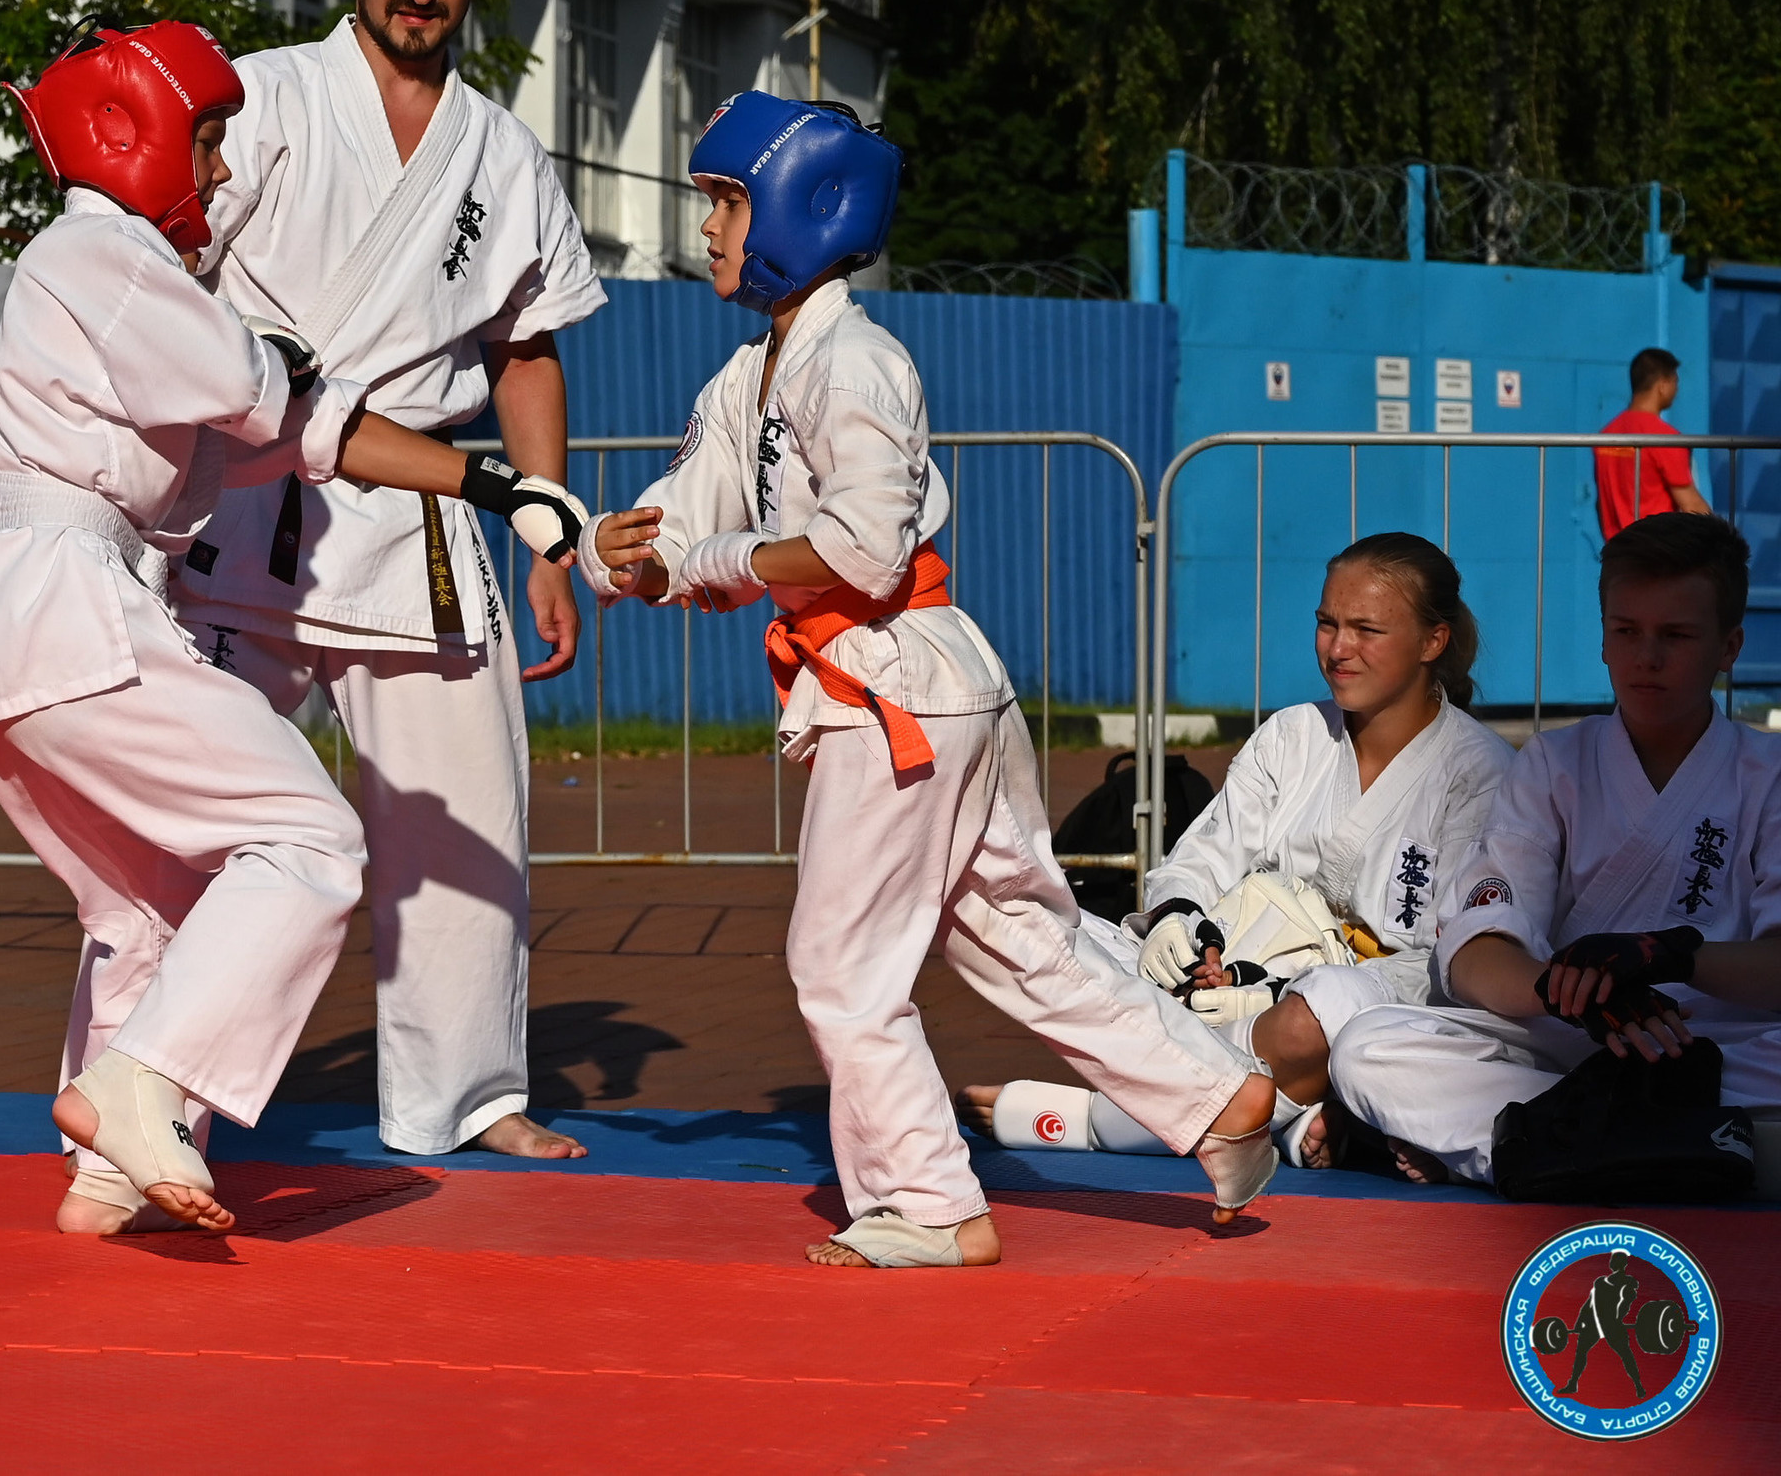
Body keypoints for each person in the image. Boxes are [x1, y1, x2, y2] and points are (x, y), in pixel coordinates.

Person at [576, 90, 1277, 1268]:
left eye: (728, 202)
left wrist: (713, 560)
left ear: (808, 207)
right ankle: (1216, 1098)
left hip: (893, 682)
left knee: (841, 968)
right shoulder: (750, 376)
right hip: (921, 682)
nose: (705, 227)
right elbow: (673, 529)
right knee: (1012, 931)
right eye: (707, 202)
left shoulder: (856, 362)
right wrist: (606, 552)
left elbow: (859, 550)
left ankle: (928, 1201)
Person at [0, 21, 588, 1234]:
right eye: (209, 140)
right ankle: (138, 1086)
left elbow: (302, 432)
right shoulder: (108, 258)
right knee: (308, 841)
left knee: (143, 907)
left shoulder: (104, 274)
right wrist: (281, 365)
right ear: (131, 137)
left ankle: (108, 1173)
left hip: (2, 625)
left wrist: (493, 487)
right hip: (70, 607)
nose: (222, 171)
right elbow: (274, 395)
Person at [169, 0, 607, 1163]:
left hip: (422, 497)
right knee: (195, 813)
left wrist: (544, 521)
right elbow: (168, 260)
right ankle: (154, 1086)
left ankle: (464, 1090)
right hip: (257, 494)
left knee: (464, 813)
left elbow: (528, 346)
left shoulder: (506, 154)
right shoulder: (265, 101)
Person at [963, 535, 1516, 1168]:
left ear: (1432, 641)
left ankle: (1095, 1120)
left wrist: (1276, 991)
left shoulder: (1480, 773)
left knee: (1322, 1014)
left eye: (1367, 630)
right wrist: (1178, 917)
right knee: (1038, 922)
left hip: (1337, 1009)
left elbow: (1447, 961)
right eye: (1327, 624)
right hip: (1221, 980)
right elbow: (1204, 854)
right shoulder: (1293, 735)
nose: (1338, 649)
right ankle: (1290, 1115)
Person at [1326, 511, 1781, 1188]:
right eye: (1626, 632)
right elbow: (1479, 951)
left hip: (1717, 1042)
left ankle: (1534, 1145)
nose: (1646, 657)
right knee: (1369, 1046)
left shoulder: (1767, 772)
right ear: (1602, 639)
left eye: (1676, 636)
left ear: (1729, 645)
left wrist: (1672, 953)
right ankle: (1693, 1149)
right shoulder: (1555, 763)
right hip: (1576, 1038)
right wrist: (1563, 990)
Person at [1596, 347, 1710, 540]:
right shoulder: (1666, 438)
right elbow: (1692, 505)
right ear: (1663, 386)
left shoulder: (1606, 436)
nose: (1677, 390)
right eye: (1675, 382)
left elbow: (1601, 504)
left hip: (1618, 553)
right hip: (1657, 553)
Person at [1563, 1252, 1645, 1400]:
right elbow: (1590, 1303)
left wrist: (1616, 1319)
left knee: (1626, 1355)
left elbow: (1626, 1304)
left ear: (1621, 1263)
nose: (1611, 1262)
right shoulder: (1600, 1281)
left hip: (1611, 1324)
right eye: (1611, 1259)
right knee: (1581, 1351)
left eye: (1614, 1260)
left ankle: (1638, 1386)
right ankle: (1573, 1384)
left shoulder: (1627, 1282)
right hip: (1594, 1324)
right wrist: (1580, 1321)